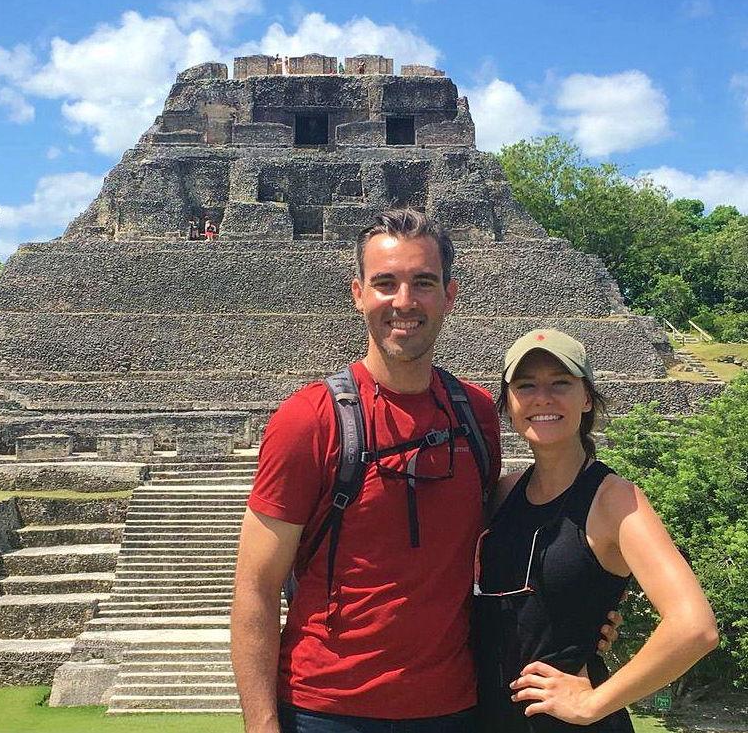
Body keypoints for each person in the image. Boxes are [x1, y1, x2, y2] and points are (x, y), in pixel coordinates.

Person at [231, 211, 619, 733]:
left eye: (423, 282)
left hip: (456, 706)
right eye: (385, 283)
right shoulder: (308, 419)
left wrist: (577, 611)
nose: (404, 301)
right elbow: (255, 588)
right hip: (326, 708)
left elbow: (509, 531)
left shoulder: (476, 414)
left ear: (449, 295)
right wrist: (261, 724)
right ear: (358, 293)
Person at [473, 329, 719, 733]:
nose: (542, 398)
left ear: (586, 398)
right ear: (509, 404)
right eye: (526, 385)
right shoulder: (503, 493)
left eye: (561, 384)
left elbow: (694, 626)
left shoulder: (615, 501)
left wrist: (592, 703)